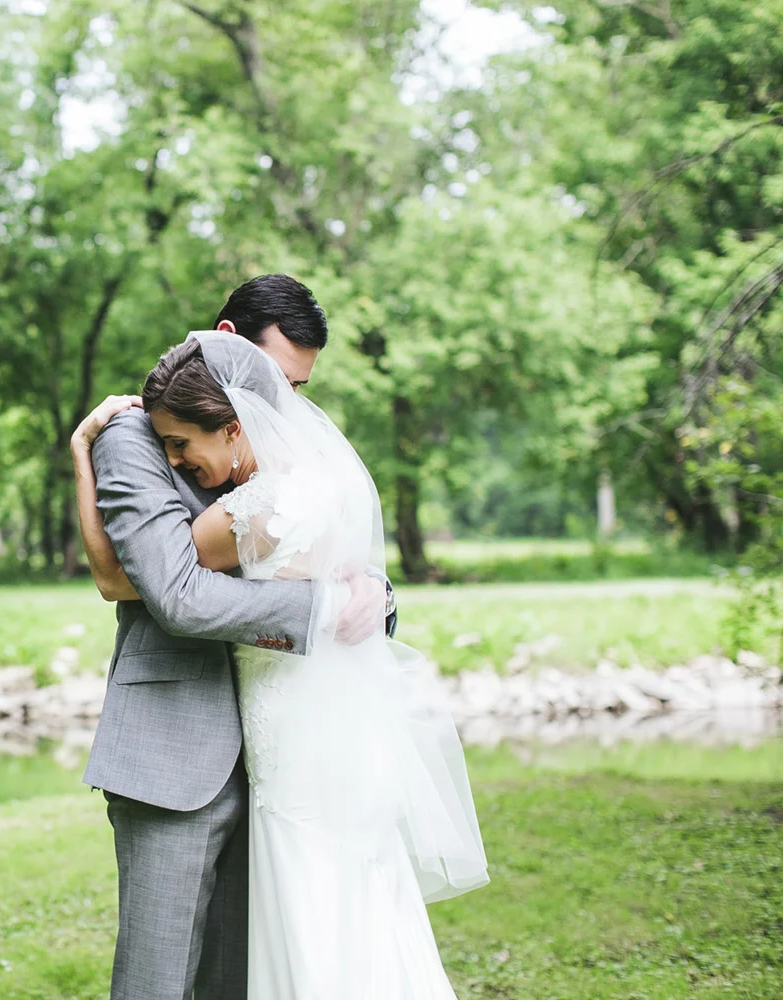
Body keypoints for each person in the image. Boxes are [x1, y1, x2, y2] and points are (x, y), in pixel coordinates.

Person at [71, 277, 486, 998]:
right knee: (160, 977)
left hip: (286, 752)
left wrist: (372, 595)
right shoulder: (140, 438)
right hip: (179, 748)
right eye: (280, 380)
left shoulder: (291, 449)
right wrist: (321, 609)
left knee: (258, 969)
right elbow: (157, 587)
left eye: (297, 386)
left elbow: (337, 545)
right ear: (230, 345)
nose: (287, 404)